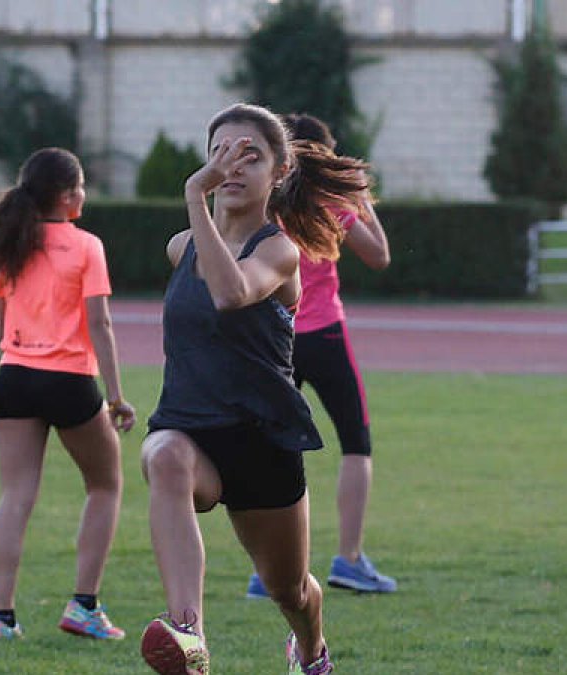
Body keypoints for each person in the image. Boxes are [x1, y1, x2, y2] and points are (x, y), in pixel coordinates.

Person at [137, 103, 368, 675]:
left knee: (288, 591)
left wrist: (196, 203)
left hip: (263, 442)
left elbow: (231, 293)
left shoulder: (280, 251)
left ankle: (311, 650)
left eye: (251, 156)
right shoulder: (179, 247)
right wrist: (197, 216)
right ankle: (188, 633)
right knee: (162, 455)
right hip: (192, 431)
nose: (232, 167)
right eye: (221, 153)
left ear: (279, 173)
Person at [0, 147, 137, 640]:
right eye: (81, 186)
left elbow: (3, 325)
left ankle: (3, 619)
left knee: (15, 496)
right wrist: (116, 395)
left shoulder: (8, 241)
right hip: (68, 380)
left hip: (14, 378)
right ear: (67, 196)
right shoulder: (85, 246)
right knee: (105, 486)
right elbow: (99, 323)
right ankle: (84, 606)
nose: (84, 194)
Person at [245, 113, 394, 600]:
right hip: (325, 334)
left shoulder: (265, 202)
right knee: (356, 442)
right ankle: (349, 560)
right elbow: (379, 256)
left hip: (274, 337)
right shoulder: (332, 202)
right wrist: (359, 198)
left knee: (271, 449)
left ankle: (268, 567)